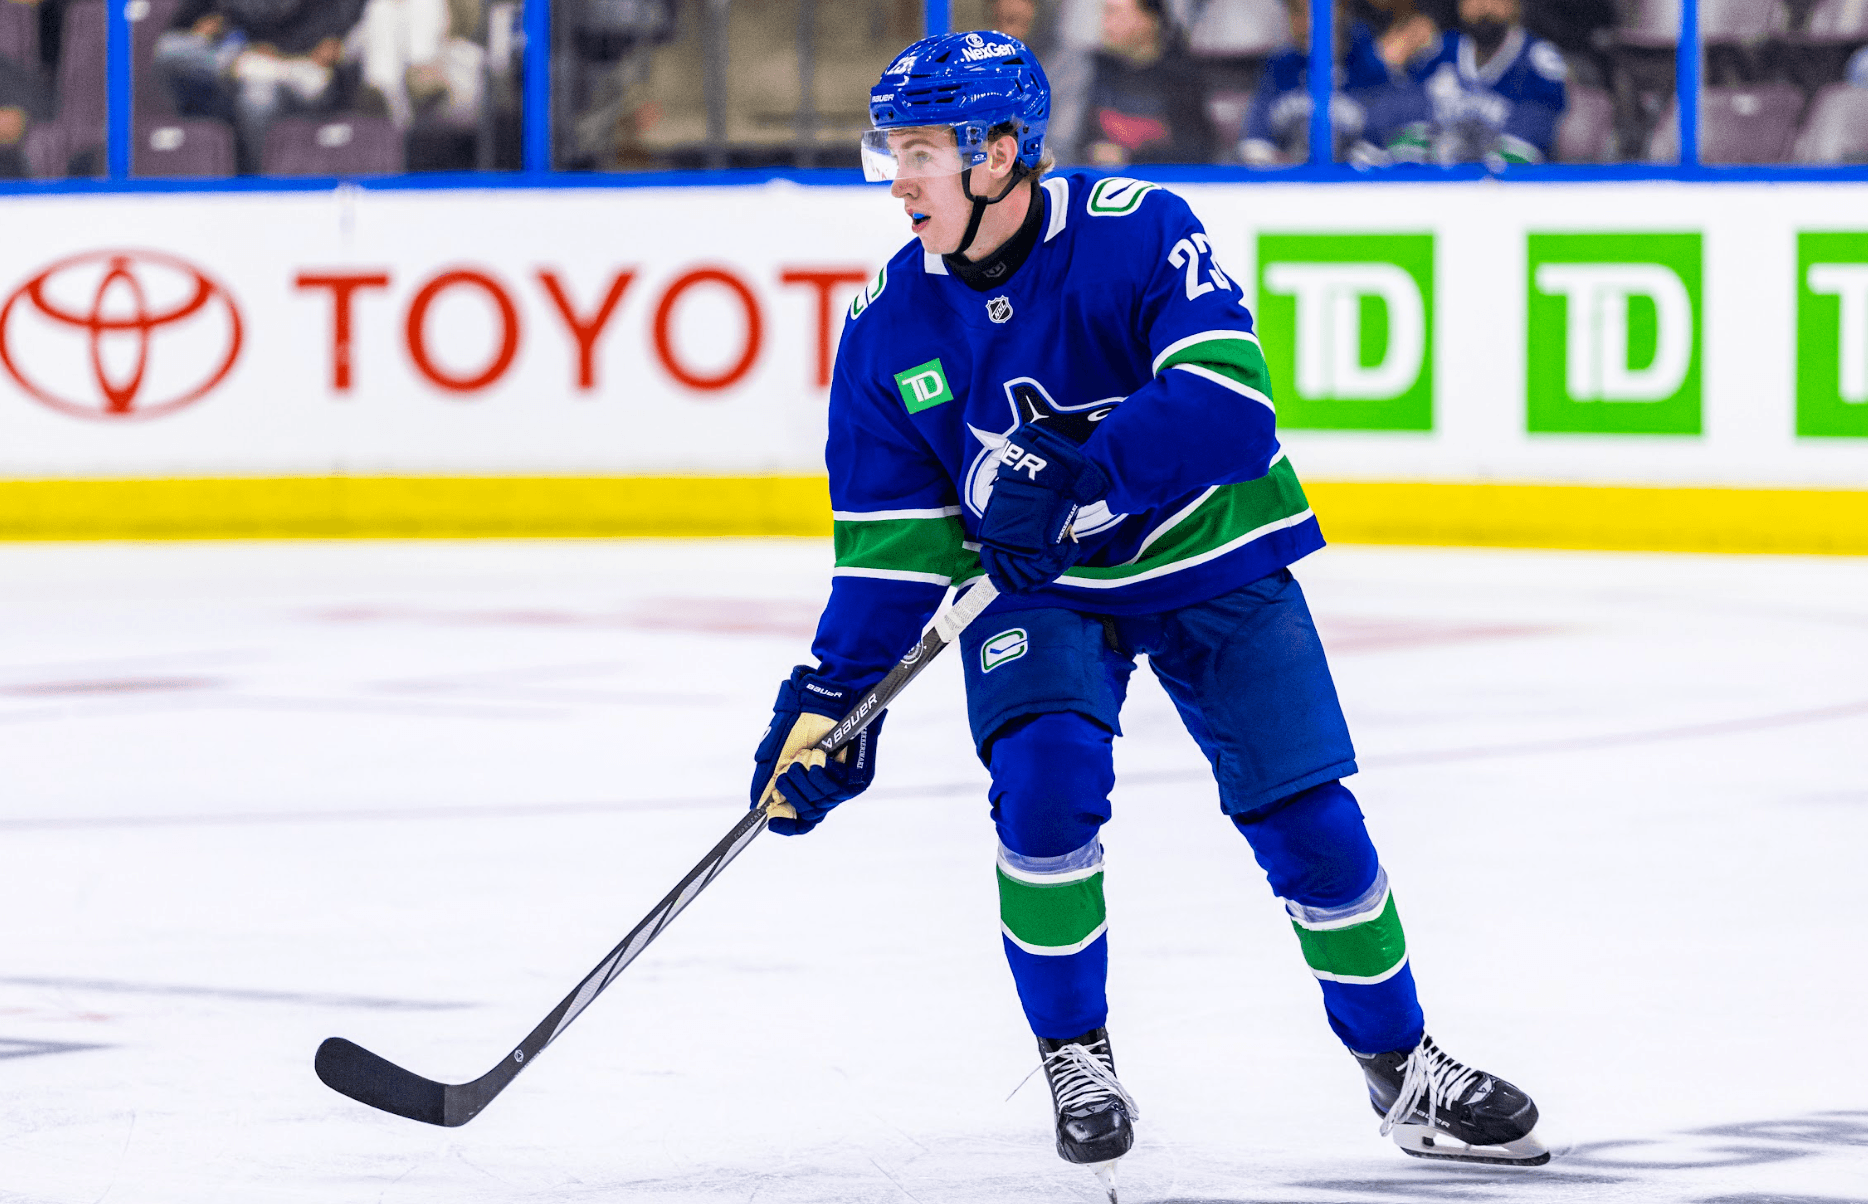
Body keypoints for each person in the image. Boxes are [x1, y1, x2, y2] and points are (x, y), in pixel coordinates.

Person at [750, 27, 1548, 1198]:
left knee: (1311, 825)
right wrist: (828, 701)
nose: (897, 178)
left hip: (1212, 556)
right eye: (891, 151)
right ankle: (1075, 1058)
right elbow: (889, 554)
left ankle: (1401, 1066)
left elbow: (1231, 411)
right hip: (1046, 597)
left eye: (921, 151)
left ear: (1000, 152)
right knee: (1041, 794)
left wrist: (1073, 466)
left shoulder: (1137, 227)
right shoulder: (885, 328)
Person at [154, 0, 370, 172]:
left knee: (257, 99)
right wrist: (205, 30)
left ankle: (257, 188)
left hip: (301, 68)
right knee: (171, 49)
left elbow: (336, 33)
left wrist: (281, 52)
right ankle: (247, 64)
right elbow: (189, 23)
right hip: (236, 61)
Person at [1238, 0, 1411, 164]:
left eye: (1314, 13)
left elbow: (1396, 143)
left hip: (1356, 187)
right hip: (1294, 187)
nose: (1306, 24)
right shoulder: (1280, 67)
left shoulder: (1370, 62)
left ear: (1341, 10)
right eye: (1297, 13)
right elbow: (1254, 143)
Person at [1396, 0, 1567, 165]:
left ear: (1515, 5)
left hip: (1504, 187)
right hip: (1439, 180)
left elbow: (1541, 122)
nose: (1484, 6)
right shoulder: (1439, 51)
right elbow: (1408, 111)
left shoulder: (1537, 59)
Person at [1078, 0, 1212, 165]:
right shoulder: (1092, 72)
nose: (1105, 23)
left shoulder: (1182, 78)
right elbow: (1069, 143)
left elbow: (1198, 150)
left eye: (1113, 12)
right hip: (1099, 182)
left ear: (1149, 20)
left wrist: (1131, 158)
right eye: (1104, 13)